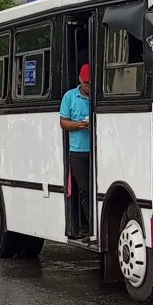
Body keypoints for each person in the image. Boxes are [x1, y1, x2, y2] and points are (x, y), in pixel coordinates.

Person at [60, 64, 92, 241]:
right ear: (80, 79)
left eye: (91, 83)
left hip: (96, 151)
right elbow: (63, 123)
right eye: (86, 82)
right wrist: (78, 125)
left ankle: (94, 227)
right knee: (85, 190)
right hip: (77, 151)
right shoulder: (70, 96)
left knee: (96, 190)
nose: (88, 86)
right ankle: (90, 227)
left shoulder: (97, 96)